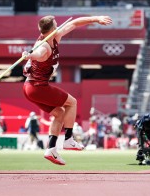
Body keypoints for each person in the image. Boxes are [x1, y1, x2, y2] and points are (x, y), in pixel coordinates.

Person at [22, 15, 112, 165]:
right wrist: (29, 55)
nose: (58, 26)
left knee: (59, 113)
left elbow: (75, 23)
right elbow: (38, 54)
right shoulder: (44, 46)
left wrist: (96, 19)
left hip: (30, 88)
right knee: (72, 102)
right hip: (37, 87)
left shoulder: (55, 36)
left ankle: (51, 150)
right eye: (56, 24)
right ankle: (69, 139)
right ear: (51, 29)